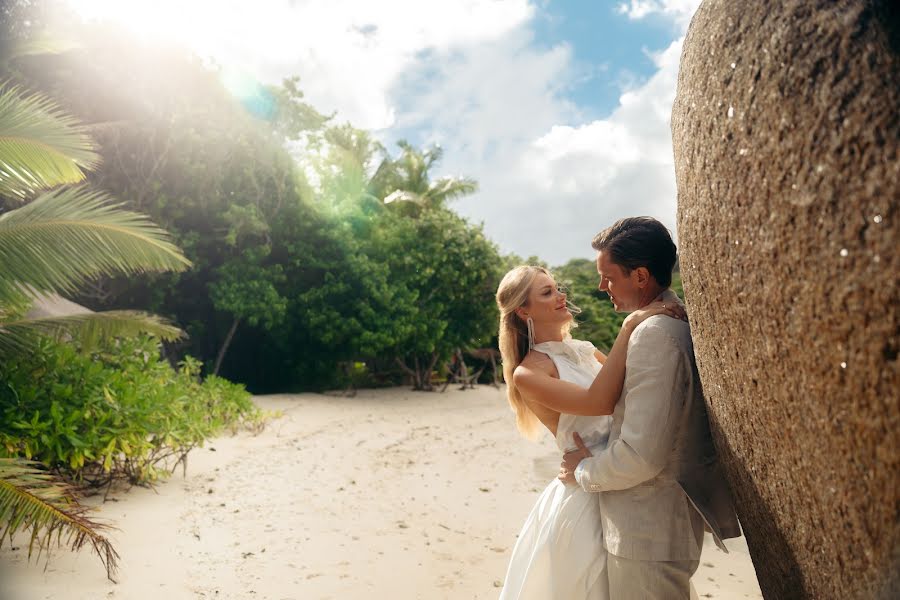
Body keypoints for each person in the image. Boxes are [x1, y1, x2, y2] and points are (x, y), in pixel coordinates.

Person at [558, 217, 741, 599]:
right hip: (654, 525)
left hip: (645, 530)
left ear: (640, 276)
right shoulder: (670, 319)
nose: (600, 286)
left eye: (608, 276)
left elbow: (641, 455)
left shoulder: (654, 335)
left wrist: (583, 469)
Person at [495, 264, 685, 600]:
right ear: (523, 310)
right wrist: (629, 325)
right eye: (547, 292)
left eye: (557, 287)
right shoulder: (528, 373)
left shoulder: (583, 348)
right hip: (584, 493)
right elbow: (600, 402)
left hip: (623, 475)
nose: (561, 296)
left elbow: (628, 391)